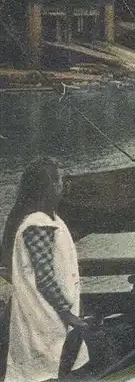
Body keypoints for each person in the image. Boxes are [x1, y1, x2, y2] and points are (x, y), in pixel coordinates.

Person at [2, 157, 89, 382]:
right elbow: (45, 277)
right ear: (47, 186)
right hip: (43, 311)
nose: (63, 185)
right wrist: (67, 314)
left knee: (51, 366)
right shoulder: (37, 223)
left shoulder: (52, 219)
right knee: (45, 367)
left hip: (51, 310)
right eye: (58, 180)